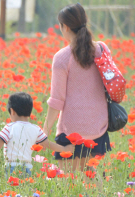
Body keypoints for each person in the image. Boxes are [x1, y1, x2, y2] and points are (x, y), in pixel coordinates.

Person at [42, 3, 111, 172]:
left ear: (64, 27)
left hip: (71, 130)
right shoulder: (101, 49)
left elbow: (57, 100)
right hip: (98, 126)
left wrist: (46, 129)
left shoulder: (62, 58)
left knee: (68, 180)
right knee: (90, 175)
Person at [0, 92, 74, 176]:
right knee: (25, 187)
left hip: (11, 166)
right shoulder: (36, 129)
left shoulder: (9, 127)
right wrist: (64, 149)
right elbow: (48, 144)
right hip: (27, 168)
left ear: (12, 111)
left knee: (13, 187)